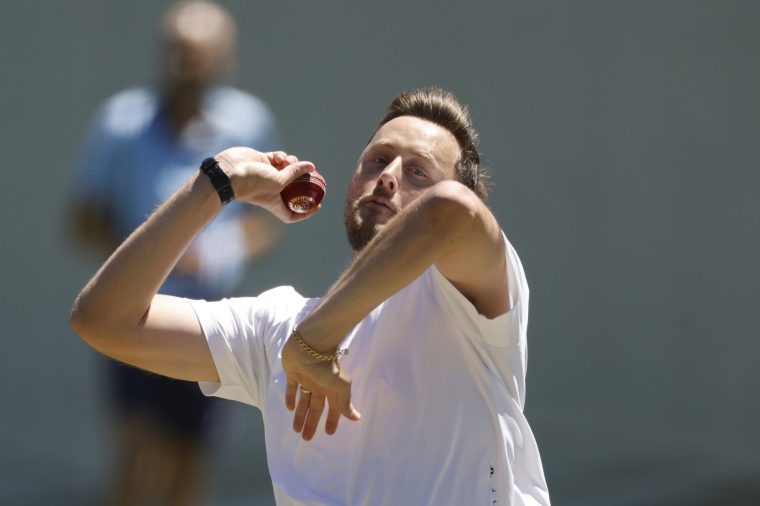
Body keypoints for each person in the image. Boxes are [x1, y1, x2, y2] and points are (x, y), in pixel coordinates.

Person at [72, 87, 551, 505]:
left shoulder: (472, 303)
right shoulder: (277, 326)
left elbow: (452, 211)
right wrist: (215, 183)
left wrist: (314, 342)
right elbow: (103, 319)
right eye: (378, 160)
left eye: (418, 173)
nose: (389, 176)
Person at [69, 2, 281, 504]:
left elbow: (264, 223)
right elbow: (83, 217)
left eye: (200, 57)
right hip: (134, 310)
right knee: (138, 452)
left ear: (225, 61)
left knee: (189, 460)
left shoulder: (248, 122)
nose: (187, 67)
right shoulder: (121, 122)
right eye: (179, 54)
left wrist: (219, 253)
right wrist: (142, 257)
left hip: (205, 317)